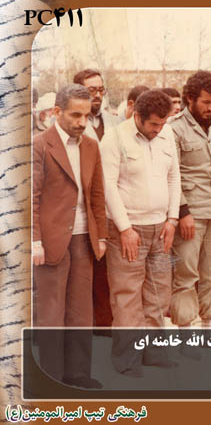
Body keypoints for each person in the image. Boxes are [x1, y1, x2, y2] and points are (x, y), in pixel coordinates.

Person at [100, 89, 180, 376]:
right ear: (137, 116)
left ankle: (154, 352)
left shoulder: (166, 134)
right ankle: (127, 360)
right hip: (128, 230)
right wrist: (125, 228)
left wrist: (172, 219)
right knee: (128, 297)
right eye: (154, 124)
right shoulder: (114, 139)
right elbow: (108, 186)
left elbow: (174, 176)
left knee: (158, 294)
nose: (159, 130)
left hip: (161, 228)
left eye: (163, 123)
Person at [32, 84, 107, 388]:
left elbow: (97, 194)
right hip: (50, 242)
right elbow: (31, 197)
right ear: (56, 112)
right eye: (75, 115)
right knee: (51, 313)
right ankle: (51, 377)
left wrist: (101, 236)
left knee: (80, 310)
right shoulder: (39, 145)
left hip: (83, 239)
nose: (82, 122)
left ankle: (78, 374)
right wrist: (35, 240)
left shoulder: (90, 146)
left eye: (86, 115)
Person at [168, 71, 211, 329]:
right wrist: (182, 211)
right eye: (206, 102)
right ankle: (185, 332)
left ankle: (209, 329)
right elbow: (172, 174)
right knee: (186, 275)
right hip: (191, 214)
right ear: (190, 99)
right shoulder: (174, 128)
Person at [73, 68, 119, 331]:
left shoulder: (114, 122)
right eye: (92, 90)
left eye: (101, 90)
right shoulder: (70, 124)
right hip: (82, 206)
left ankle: (105, 326)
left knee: (107, 271)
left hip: (111, 205)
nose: (98, 95)